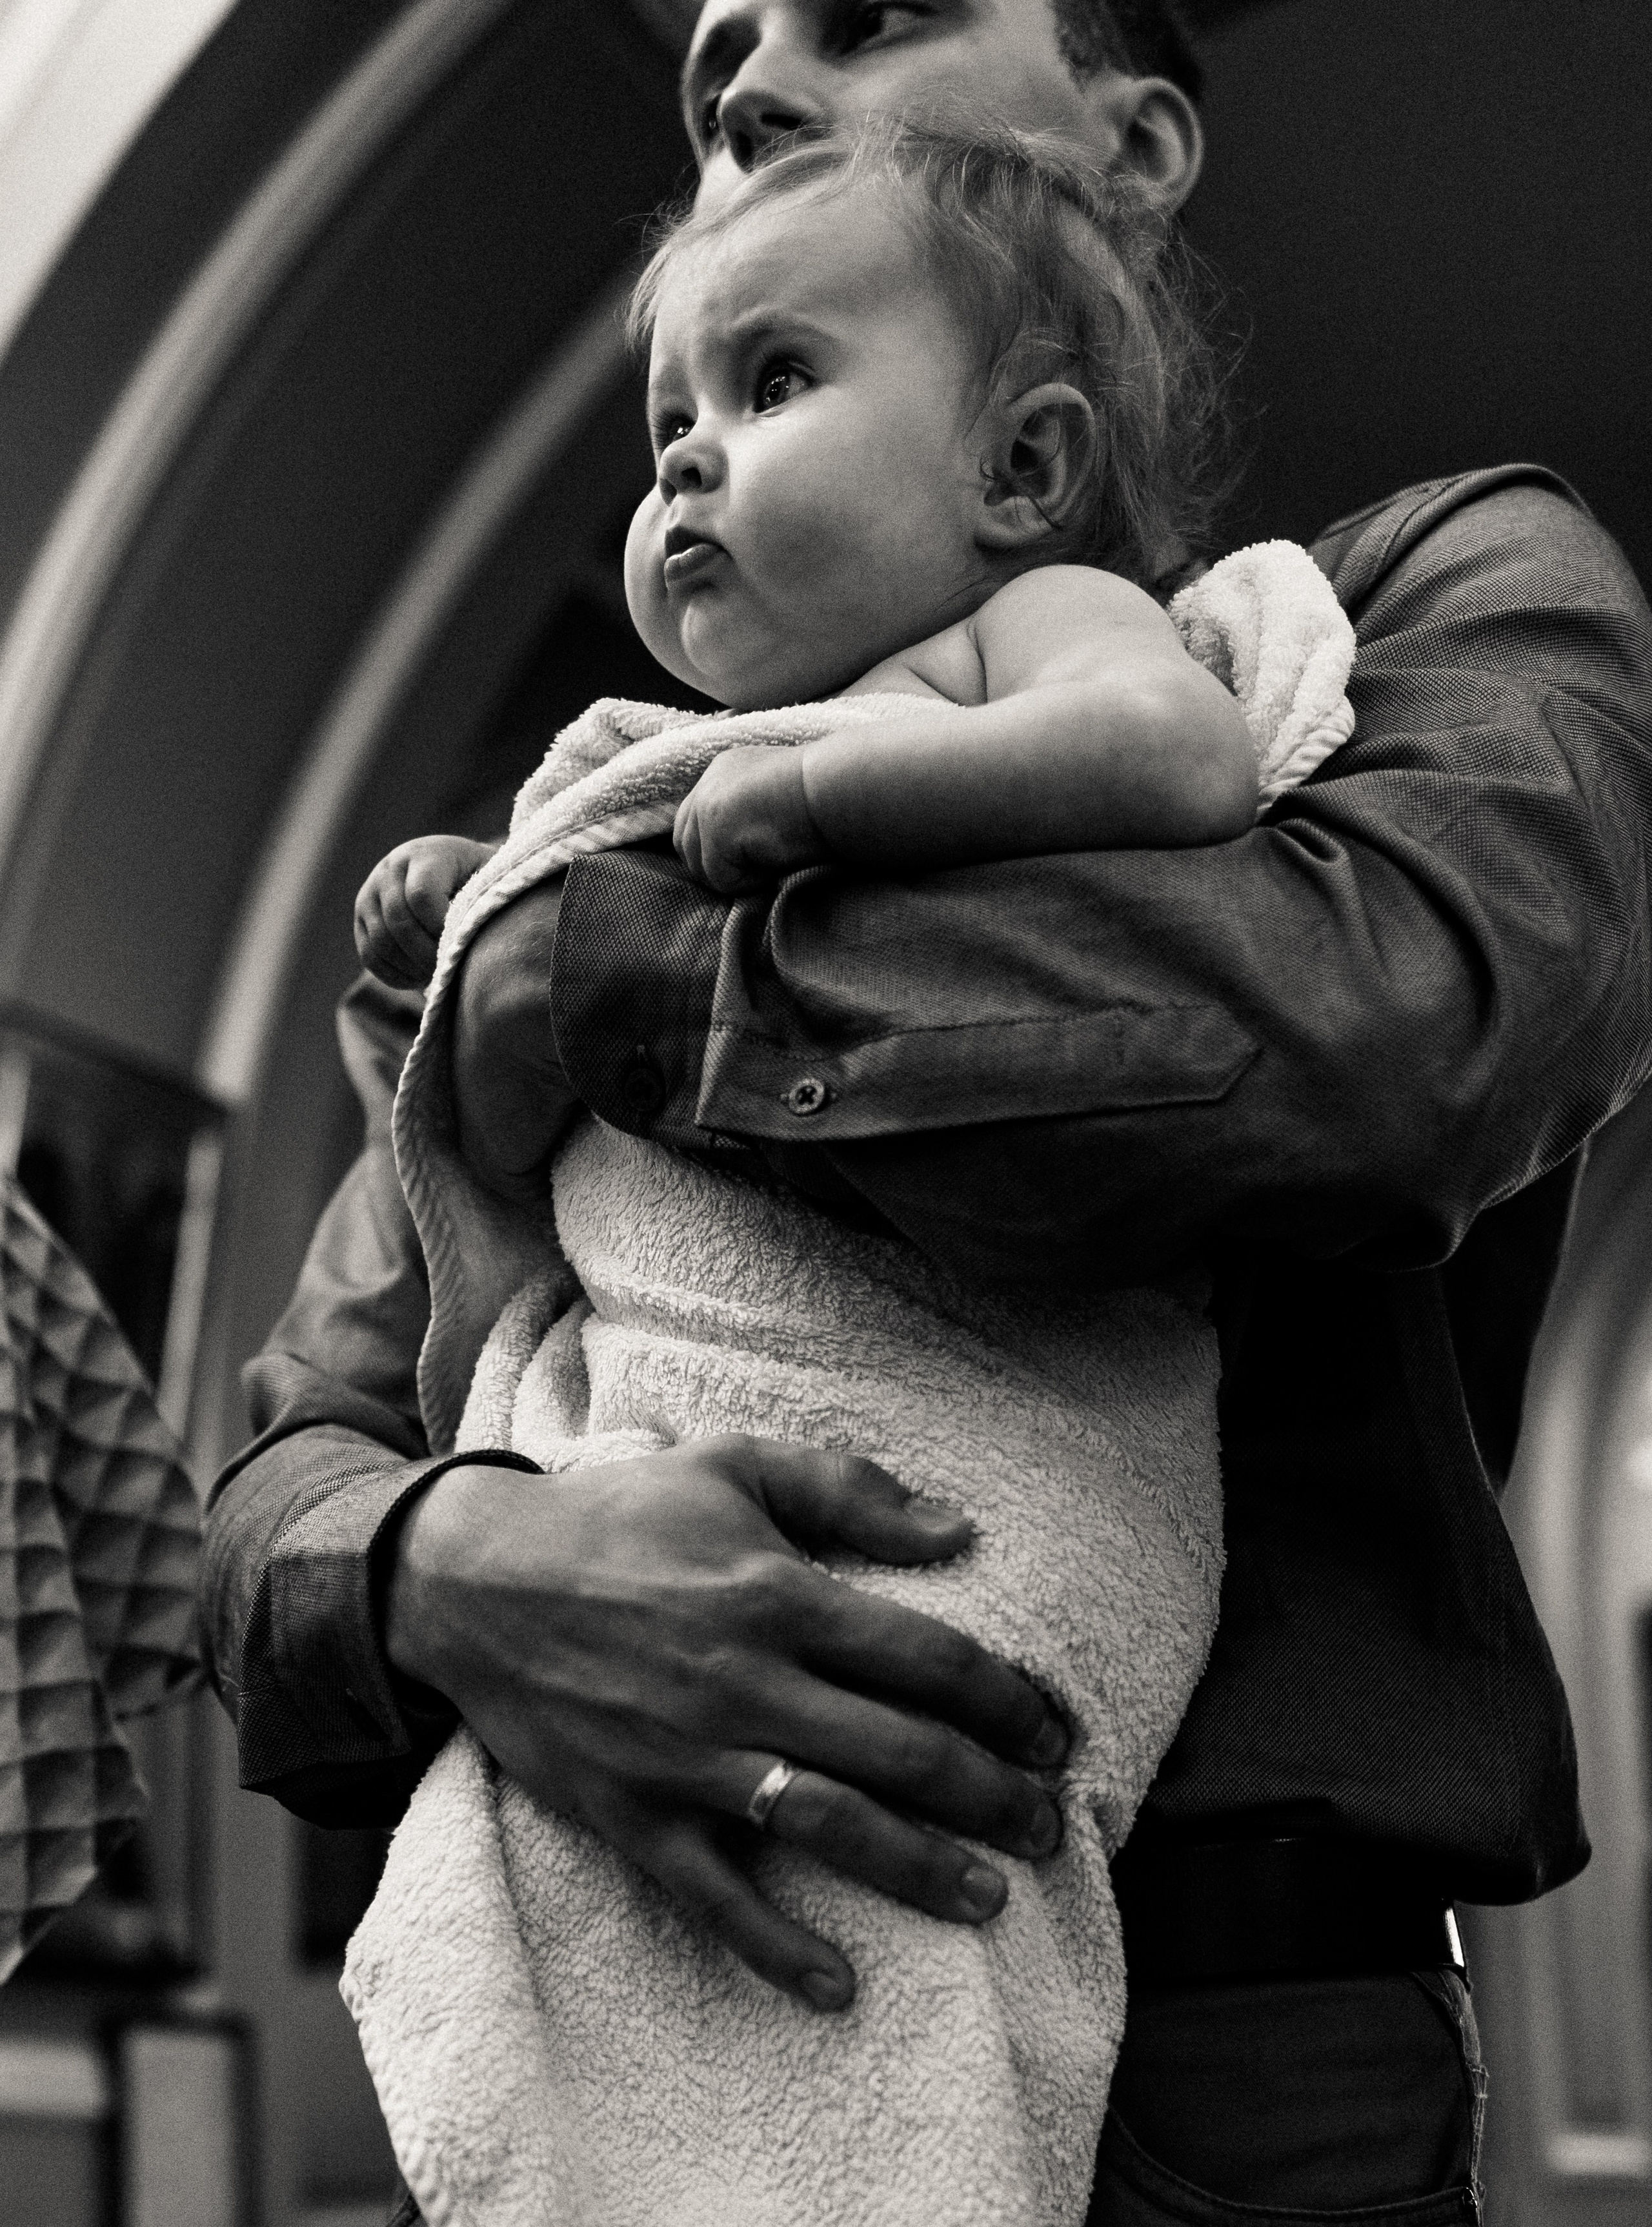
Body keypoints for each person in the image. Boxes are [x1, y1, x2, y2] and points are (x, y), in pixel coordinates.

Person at [200, 2, 1652, 2219]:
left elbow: (1382, 1046)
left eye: (870, 15)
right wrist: (463, 1567)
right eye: (708, 74)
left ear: (1135, 144)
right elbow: (280, 1474)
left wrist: (607, 977)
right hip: (649, 1930)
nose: (747, 85)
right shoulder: (587, 813)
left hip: (1236, 2075)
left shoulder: (1398, 620)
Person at [337, 120, 1353, 2226]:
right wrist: (477, 892)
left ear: (1022, 469)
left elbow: (1177, 761)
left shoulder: (1030, 633)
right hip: (676, 1422)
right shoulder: (632, 757)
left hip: (989, 1427)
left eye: (773, 386)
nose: (686, 463)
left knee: (895, 1950)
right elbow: (518, 1079)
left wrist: (833, 786)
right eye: (663, 427)